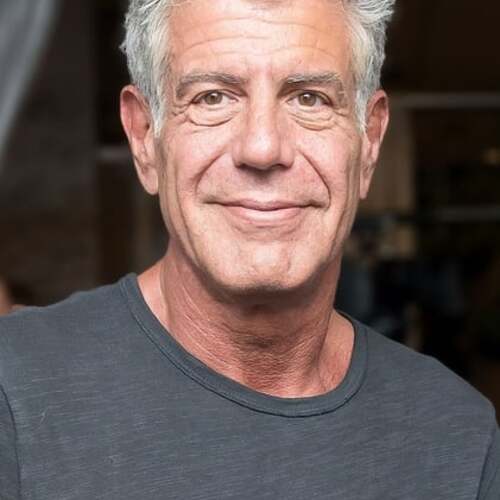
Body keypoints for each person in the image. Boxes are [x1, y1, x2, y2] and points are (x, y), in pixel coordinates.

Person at [0, 0, 498, 498]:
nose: (262, 148)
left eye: (310, 99)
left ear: (369, 143)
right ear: (144, 138)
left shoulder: (456, 437)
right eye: (213, 97)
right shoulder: (14, 391)